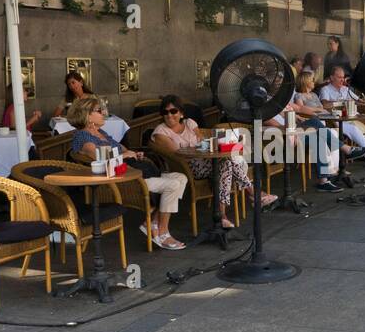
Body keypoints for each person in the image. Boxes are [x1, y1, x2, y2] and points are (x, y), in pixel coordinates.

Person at [66, 96, 187, 249]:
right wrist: (125, 156)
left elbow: (122, 149)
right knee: (173, 184)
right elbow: (100, 157)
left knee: (181, 178)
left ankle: (153, 223)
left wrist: (134, 154)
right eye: (99, 110)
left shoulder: (100, 132)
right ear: (87, 115)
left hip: (134, 172)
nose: (104, 113)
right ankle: (163, 233)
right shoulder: (82, 136)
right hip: (122, 180)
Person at [150, 94, 274, 227]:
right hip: (187, 167)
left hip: (205, 161)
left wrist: (204, 145)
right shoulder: (161, 132)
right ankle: (254, 194)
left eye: (173, 111)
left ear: (181, 113)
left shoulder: (189, 123)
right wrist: (200, 147)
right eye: (165, 112)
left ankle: (222, 215)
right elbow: (179, 153)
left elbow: (202, 140)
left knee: (226, 164)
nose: (169, 115)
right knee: (226, 162)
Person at [317, 66, 365, 168]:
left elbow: (359, 100)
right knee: (354, 128)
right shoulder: (325, 89)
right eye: (339, 77)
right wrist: (343, 102)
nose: (342, 80)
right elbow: (325, 105)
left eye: (343, 77)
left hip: (354, 116)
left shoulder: (345, 89)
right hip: (337, 120)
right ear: (331, 78)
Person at [289, 72, 353, 191]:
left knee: (320, 137)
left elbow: (298, 110)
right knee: (315, 123)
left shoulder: (284, 103)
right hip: (286, 136)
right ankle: (344, 149)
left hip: (299, 130)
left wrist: (297, 117)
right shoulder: (273, 105)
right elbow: (299, 110)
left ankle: (325, 179)